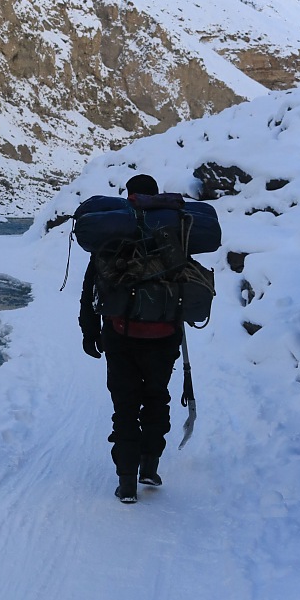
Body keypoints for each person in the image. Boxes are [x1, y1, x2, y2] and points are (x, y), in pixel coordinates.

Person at [79, 174, 183, 503]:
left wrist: (89, 331)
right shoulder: (173, 229)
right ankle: (149, 467)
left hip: (120, 334)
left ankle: (126, 483)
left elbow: (91, 287)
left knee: (125, 406)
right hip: (164, 334)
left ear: (129, 196)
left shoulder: (115, 231)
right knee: (156, 398)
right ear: (157, 196)